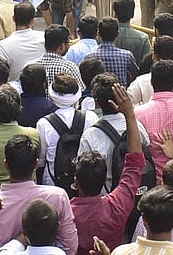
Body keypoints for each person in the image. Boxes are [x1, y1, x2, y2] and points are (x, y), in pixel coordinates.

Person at [71, 81, 146, 255]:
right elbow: (134, 163)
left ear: (76, 182)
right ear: (104, 178)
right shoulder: (117, 205)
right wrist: (129, 115)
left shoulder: (66, 213)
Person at [36, 73, 99, 187]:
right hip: (85, 183)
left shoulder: (43, 124)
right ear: (77, 97)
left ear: (51, 98)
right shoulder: (91, 117)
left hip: (53, 183)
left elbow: (41, 161)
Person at [0, 1, 46, 82]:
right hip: (42, 86)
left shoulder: (3, 45)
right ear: (32, 21)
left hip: (15, 88)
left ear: (13, 18)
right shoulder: (44, 38)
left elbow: (1, 74)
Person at [85, 17, 139, 86]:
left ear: (98, 34)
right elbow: (136, 74)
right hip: (120, 92)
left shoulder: (90, 56)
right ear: (118, 34)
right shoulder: (127, 56)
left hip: (97, 92)